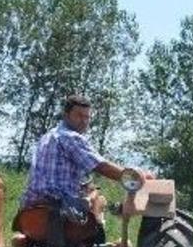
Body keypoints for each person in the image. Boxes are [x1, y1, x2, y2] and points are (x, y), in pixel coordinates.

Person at [20, 94, 152, 223]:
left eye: (87, 117)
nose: (84, 121)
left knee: (90, 190)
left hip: (29, 206)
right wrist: (133, 176)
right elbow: (101, 166)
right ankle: (96, 240)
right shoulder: (70, 137)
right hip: (57, 205)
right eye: (79, 116)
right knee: (98, 200)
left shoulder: (46, 137)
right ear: (66, 115)